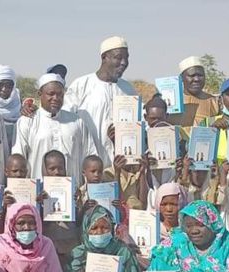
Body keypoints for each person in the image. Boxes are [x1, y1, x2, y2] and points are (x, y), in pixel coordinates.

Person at [60, 36, 137, 165]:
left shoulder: (128, 89)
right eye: (118, 57)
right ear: (104, 57)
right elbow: (65, 120)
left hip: (120, 165)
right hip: (88, 165)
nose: (124, 62)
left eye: (126, 58)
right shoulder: (82, 85)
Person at [12, 73, 97, 188]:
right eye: (51, 94)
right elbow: (18, 159)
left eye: (60, 95)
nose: (56, 98)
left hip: (73, 192)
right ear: (40, 94)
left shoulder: (77, 121)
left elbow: (90, 155)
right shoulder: (27, 121)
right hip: (38, 193)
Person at [168, 56, 219, 134]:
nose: (196, 79)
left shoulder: (215, 102)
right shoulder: (171, 101)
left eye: (200, 75)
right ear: (181, 78)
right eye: (192, 76)